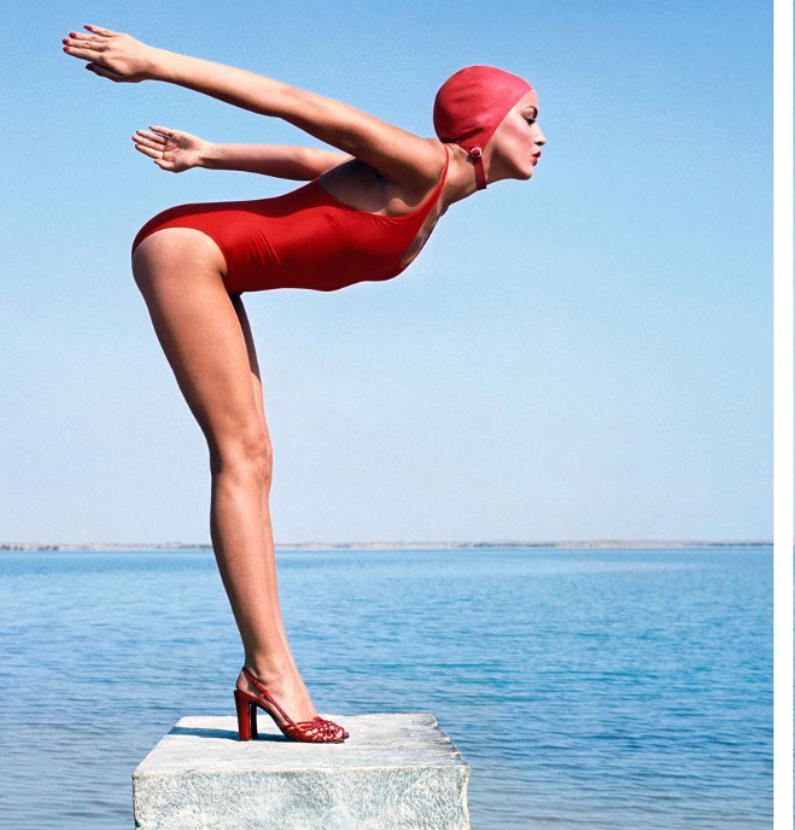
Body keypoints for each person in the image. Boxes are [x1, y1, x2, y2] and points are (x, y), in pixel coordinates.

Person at [61, 24, 544, 741]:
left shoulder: (429, 192)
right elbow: (293, 103)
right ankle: (270, 674)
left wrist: (208, 154)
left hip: (214, 265)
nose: (540, 136)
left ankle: (267, 673)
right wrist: (154, 63)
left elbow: (303, 159)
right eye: (529, 118)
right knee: (243, 457)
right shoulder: (420, 164)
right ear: (485, 122)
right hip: (188, 254)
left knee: (256, 458)